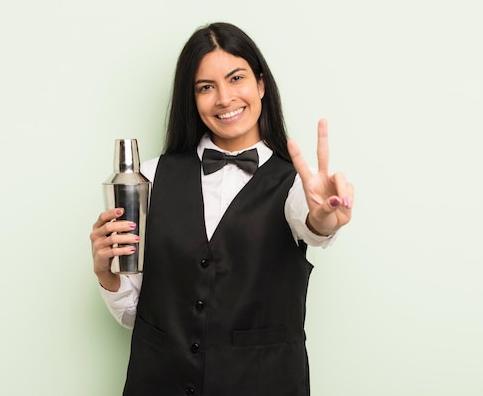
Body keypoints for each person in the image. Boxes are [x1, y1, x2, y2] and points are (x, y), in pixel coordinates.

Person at [89, 22, 354, 396]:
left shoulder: (298, 184)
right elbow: (134, 314)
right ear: (192, 99)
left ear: (260, 84)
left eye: (236, 78)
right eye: (206, 87)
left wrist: (325, 218)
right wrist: (107, 273)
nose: (224, 98)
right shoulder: (147, 179)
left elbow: (312, 224)